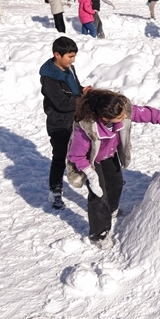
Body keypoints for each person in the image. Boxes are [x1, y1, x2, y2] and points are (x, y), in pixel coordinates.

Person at [66, 90, 160, 249]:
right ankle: (99, 235)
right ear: (105, 117)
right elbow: (76, 155)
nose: (125, 116)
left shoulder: (121, 109)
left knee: (116, 183)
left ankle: (112, 210)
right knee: (98, 196)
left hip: (109, 154)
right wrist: (90, 175)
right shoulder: (85, 129)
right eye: (120, 116)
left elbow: (151, 114)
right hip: (91, 161)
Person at [39, 36, 89, 210]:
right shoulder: (49, 78)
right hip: (59, 123)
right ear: (57, 55)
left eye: (74, 56)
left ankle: (94, 184)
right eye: (70, 56)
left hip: (76, 119)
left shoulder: (69, 68)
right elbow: (62, 103)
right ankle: (55, 191)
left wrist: (83, 90)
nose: (73, 60)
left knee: (84, 152)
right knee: (60, 156)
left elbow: (74, 88)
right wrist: (82, 100)